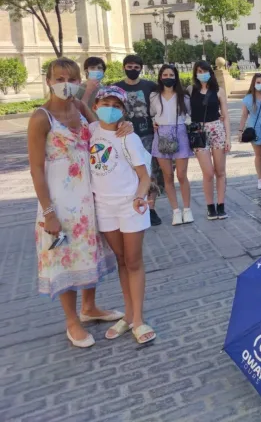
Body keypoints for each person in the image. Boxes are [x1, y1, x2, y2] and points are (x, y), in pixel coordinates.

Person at [27, 58, 121, 348]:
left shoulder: (79, 108)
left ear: (79, 81)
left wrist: (123, 125)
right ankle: (72, 320)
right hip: (59, 203)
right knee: (64, 258)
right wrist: (49, 213)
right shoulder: (41, 118)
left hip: (88, 196)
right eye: (58, 77)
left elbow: (103, 134)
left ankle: (89, 307)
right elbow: (36, 169)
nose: (64, 83)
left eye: (70, 77)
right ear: (49, 81)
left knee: (89, 252)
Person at [89, 86, 156, 344]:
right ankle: (127, 315)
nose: (111, 110)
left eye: (117, 106)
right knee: (121, 260)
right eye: (106, 103)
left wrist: (140, 197)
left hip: (130, 206)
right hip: (103, 208)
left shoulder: (129, 137)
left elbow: (144, 176)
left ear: (124, 111)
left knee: (134, 260)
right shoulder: (90, 133)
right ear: (96, 107)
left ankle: (138, 318)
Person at [114, 55, 163, 227]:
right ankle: (132, 204)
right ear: (124, 67)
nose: (132, 70)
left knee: (151, 172)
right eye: (129, 66)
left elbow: (161, 104)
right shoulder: (116, 88)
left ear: (141, 68)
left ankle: (151, 208)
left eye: (136, 67)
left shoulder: (149, 86)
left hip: (148, 135)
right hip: (124, 136)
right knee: (129, 172)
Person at [149, 64, 194, 226]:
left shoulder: (184, 97)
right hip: (161, 135)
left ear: (176, 77)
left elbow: (189, 114)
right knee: (167, 176)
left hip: (179, 133)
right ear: (160, 77)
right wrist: (154, 122)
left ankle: (187, 209)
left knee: (181, 174)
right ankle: (175, 210)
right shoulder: (154, 96)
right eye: (165, 75)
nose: (168, 78)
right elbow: (152, 114)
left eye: (171, 75)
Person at [188, 60, 231, 220]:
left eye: (204, 71)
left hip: (217, 130)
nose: (202, 74)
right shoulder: (190, 90)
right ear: (195, 73)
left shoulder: (218, 91)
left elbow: (225, 116)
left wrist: (228, 138)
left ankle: (221, 205)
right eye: (199, 71)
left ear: (210, 72)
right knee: (208, 172)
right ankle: (209, 206)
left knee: (220, 171)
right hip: (199, 132)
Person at [239, 73, 261, 190]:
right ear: (253, 83)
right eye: (258, 82)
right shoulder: (248, 99)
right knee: (259, 155)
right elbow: (243, 116)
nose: (260, 85)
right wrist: (240, 130)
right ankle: (260, 178)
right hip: (254, 127)